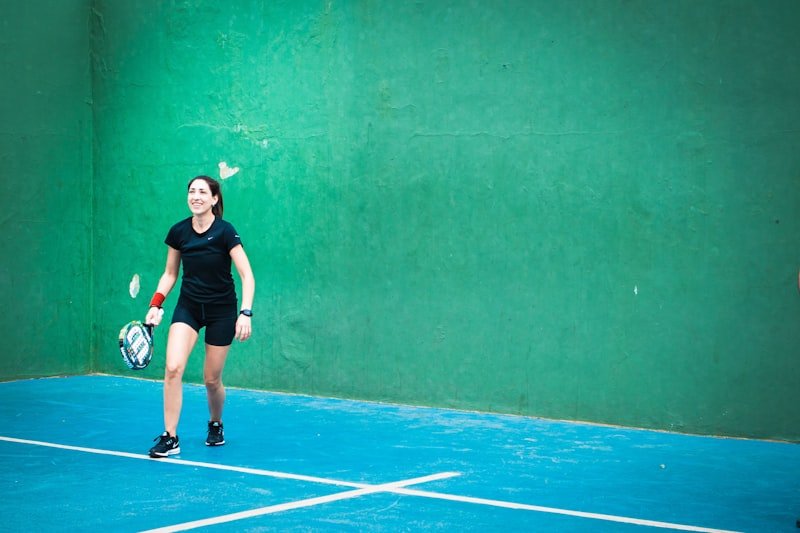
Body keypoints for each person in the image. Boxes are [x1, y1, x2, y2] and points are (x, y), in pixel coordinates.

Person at [144, 175, 255, 458]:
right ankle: (170, 437)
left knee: (211, 380)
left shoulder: (226, 232)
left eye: (203, 192)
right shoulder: (179, 232)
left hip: (222, 311)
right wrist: (156, 304)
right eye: (192, 191)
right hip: (189, 308)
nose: (196, 196)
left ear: (214, 199)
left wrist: (245, 312)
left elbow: (247, 275)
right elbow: (170, 274)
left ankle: (215, 423)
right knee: (172, 368)